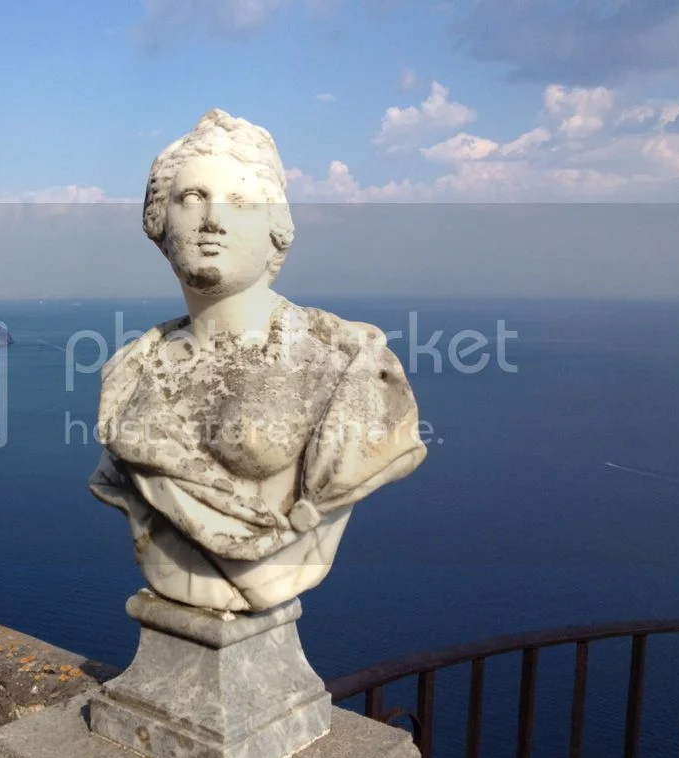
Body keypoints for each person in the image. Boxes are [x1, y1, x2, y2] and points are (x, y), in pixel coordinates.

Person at [89, 109, 427, 612]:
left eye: (241, 202)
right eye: (192, 198)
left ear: (276, 229)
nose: (212, 220)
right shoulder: (129, 371)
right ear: (159, 224)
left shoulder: (346, 361)